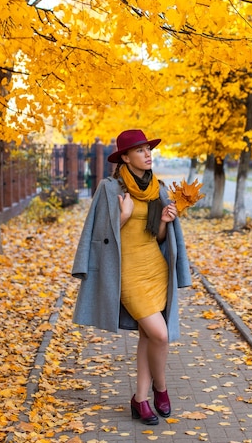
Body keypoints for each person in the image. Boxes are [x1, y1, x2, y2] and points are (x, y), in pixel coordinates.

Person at [72, 129, 191, 425]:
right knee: (160, 334)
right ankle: (160, 388)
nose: (148, 154)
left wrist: (164, 223)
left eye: (148, 149)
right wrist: (122, 217)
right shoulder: (109, 189)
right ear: (125, 157)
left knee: (148, 336)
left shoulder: (158, 188)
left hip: (155, 267)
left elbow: (159, 237)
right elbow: (98, 237)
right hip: (126, 271)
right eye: (140, 150)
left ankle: (141, 399)